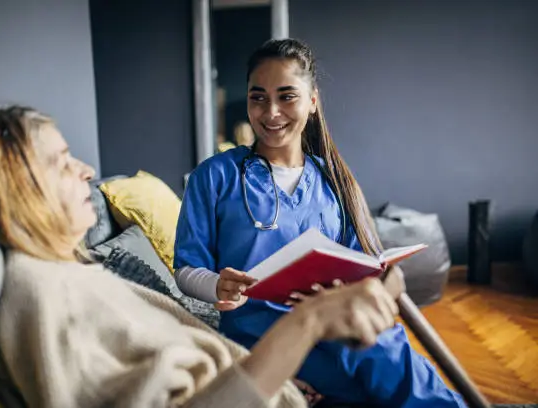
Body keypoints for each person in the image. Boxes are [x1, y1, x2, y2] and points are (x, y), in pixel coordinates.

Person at [0, 104, 407, 408]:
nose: (86, 171)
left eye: (288, 96)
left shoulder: (68, 270)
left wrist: (271, 376)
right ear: (12, 189)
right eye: (62, 161)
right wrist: (309, 324)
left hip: (273, 384)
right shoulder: (35, 291)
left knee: (386, 356)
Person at [174, 38, 466, 407]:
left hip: (333, 326)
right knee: (379, 357)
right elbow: (186, 270)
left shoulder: (334, 179)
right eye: (258, 97)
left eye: (286, 96)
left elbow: (364, 263)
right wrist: (219, 285)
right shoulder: (213, 176)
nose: (271, 112)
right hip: (260, 335)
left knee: (382, 349)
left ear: (312, 102)